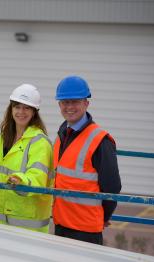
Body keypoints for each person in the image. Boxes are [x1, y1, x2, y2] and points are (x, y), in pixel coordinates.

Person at [52, 75, 122, 245]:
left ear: (86, 103)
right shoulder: (62, 134)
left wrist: (103, 217)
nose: (69, 107)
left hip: (86, 230)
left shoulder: (100, 140)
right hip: (61, 223)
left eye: (74, 101)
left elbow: (112, 187)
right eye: (64, 102)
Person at [0, 84, 53, 233]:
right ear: (11, 109)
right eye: (17, 107)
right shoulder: (4, 137)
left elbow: (39, 178)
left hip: (26, 224)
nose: (21, 112)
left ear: (34, 112)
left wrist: (22, 180)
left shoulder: (40, 142)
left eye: (26, 108)